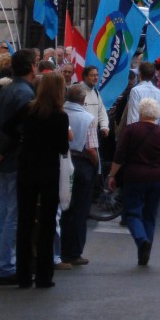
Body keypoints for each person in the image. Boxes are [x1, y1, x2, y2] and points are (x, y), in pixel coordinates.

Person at [0, 48, 39, 284]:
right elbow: (18, 129)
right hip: (13, 158)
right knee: (13, 213)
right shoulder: (25, 93)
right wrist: (1, 153)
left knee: (2, 211)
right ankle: (5, 265)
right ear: (32, 66)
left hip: (3, 156)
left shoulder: (6, 91)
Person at [8, 71, 70, 289]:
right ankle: (44, 275)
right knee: (47, 222)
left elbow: (8, 127)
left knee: (25, 220)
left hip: (27, 165)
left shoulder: (29, 109)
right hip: (49, 169)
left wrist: (23, 139)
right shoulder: (60, 116)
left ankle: (23, 274)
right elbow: (63, 147)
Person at [108, 97, 160, 266]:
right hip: (157, 178)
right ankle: (145, 250)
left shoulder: (131, 130)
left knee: (132, 212)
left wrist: (112, 175)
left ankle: (141, 240)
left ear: (140, 112)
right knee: (150, 215)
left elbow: (120, 156)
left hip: (134, 176)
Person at [59, 83, 98, 268]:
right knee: (79, 209)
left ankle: (60, 248)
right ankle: (74, 252)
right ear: (83, 100)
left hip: (62, 161)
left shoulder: (60, 112)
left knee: (63, 207)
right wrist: (96, 164)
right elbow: (91, 148)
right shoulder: (87, 118)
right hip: (81, 163)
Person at [125, 62, 160, 127]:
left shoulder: (135, 91)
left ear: (140, 74)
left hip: (139, 130)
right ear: (153, 76)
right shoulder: (159, 93)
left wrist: (131, 130)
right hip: (155, 129)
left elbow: (133, 117)